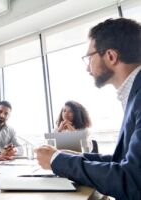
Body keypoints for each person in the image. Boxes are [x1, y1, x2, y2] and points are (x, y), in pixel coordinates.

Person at [35, 18, 141, 200]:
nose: (87, 68)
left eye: (89, 57)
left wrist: (56, 160)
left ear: (110, 56)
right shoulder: (133, 94)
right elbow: (122, 161)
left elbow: (132, 180)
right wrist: (66, 156)